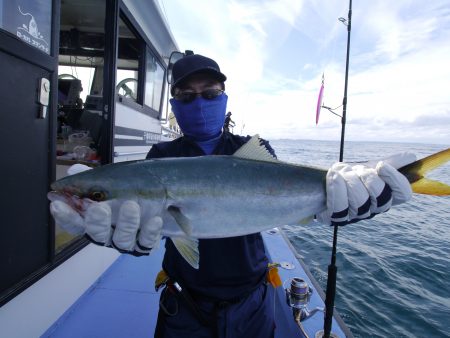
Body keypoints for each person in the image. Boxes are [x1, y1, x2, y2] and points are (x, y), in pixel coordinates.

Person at [49, 54, 413, 338]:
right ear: (174, 105)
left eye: (210, 93)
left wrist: (342, 201)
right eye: (187, 96)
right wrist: (126, 241)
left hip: (253, 300)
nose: (200, 101)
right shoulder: (161, 156)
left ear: (224, 98)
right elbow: (145, 229)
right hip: (185, 303)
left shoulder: (251, 148)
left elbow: (303, 199)